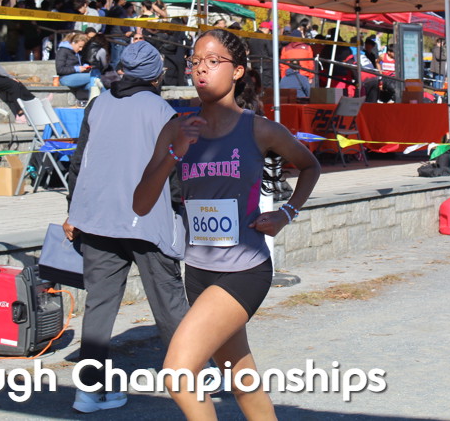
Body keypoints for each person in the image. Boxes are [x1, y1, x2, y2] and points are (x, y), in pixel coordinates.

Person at [133, 28, 321, 419]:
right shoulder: (177, 128)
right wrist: (175, 153)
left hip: (245, 270)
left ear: (237, 71)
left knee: (178, 373)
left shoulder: (259, 129)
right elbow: (141, 202)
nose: (201, 69)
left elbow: (310, 166)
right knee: (241, 378)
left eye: (213, 61)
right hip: (198, 272)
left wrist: (287, 213)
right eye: (195, 62)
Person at [62, 42, 189, 414]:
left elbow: (78, 162)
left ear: (122, 70)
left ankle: (89, 392)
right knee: (169, 302)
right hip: (147, 219)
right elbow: (175, 174)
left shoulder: (97, 105)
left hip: (98, 219)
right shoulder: (163, 111)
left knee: (99, 307)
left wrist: (73, 211)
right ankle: (193, 375)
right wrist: (181, 213)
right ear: (157, 75)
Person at [56, 31, 102, 100]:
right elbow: (60, 70)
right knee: (95, 76)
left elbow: (83, 62)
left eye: (82, 47)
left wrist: (86, 66)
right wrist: (77, 69)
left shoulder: (79, 52)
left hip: (79, 76)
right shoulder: (62, 51)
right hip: (65, 78)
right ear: (73, 43)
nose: (81, 49)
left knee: (93, 85)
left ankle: (94, 102)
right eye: (80, 46)